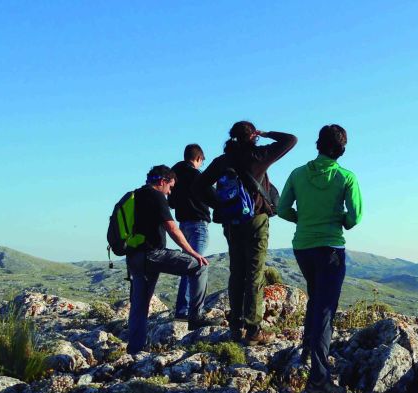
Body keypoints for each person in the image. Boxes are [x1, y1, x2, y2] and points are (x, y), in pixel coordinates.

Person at [278, 124, 363, 393]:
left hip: (302, 246)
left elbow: (281, 209)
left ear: (317, 144)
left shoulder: (297, 174)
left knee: (315, 299)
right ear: (341, 149)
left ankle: (306, 352)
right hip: (330, 249)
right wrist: (342, 221)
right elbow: (355, 216)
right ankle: (319, 378)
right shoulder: (345, 177)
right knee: (325, 310)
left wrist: (301, 218)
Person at [194, 121, 296, 345]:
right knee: (254, 274)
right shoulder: (259, 155)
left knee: (237, 273)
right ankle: (253, 329)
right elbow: (291, 140)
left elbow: (199, 186)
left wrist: (220, 205)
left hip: (232, 223)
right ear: (253, 137)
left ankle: (234, 328)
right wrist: (267, 133)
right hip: (256, 220)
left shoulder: (222, 161)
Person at [125, 165, 209, 355]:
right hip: (153, 254)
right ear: (162, 182)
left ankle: (135, 350)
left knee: (140, 306)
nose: (170, 191)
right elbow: (172, 228)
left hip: (134, 257)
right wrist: (193, 253)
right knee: (199, 267)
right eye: (170, 187)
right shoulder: (156, 196)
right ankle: (195, 316)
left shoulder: (135, 195)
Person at [169, 144, 221, 329]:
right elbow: (214, 199)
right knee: (195, 266)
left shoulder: (174, 176)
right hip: (198, 224)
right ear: (198, 158)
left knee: (187, 266)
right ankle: (190, 314)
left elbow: (172, 203)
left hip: (182, 226)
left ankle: (182, 311)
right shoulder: (197, 176)